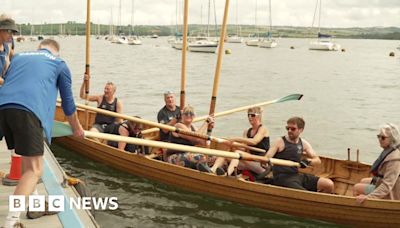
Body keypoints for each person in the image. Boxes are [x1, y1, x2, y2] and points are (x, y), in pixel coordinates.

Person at [0, 39, 84, 227]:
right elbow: (68, 105)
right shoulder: (59, 63)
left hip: (3, 108)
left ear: (39, 48)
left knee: (26, 161)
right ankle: (11, 222)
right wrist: (77, 129)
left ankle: (35, 204)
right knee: (34, 170)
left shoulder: (19, 57)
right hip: (28, 111)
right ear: (57, 52)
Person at [266, 117, 334, 193]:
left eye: (293, 129)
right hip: (282, 178)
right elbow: (266, 158)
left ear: (301, 130)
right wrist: (267, 163)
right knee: (305, 193)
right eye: (287, 128)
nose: (289, 131)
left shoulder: (303, 143)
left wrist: (308, 161)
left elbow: (317, 160)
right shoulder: (279, 142)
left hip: (296, 175)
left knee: (328, 184)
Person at [210, 107, 270, 178]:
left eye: (253, 115)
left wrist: (236, 139)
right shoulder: (246, 131)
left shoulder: (263, 129)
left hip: (260, 164)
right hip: (249, 161)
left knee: (237, 153)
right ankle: (212, 170)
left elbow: (254, 141)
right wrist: (232, 145)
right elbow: (244, 149)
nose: (250, 117)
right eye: (248, 115)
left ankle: (228, 174)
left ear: (259, 116)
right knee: (226, 153)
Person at [353, 123, 400, 203]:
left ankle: (358, 208)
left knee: (356, 187)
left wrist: (368, 197)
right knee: (363, 180)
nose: (379, 139)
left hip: (393, 191)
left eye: (383, 138)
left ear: (392, 139)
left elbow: (387, 186)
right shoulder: (389, 150)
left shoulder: (394, 159)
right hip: (387, 183)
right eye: (378, 136)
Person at [166, 105, 214, 170]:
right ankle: (207, 172)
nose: (189, 115)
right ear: (182, 115)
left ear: (194, 116)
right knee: (201, 157)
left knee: (214, 158)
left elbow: (203, 142)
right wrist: (206, 122)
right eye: (186, 113)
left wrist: (209, 130)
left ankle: (212, 170)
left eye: (191, 114)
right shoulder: (179, 126)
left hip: (188, 154)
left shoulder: (193, 127)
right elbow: (196, 137)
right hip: (174, 156)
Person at [0, 14, 16, 85]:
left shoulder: (6, 47)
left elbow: (8, 68)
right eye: (9, 31)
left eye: (13, 32)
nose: (11, 35)